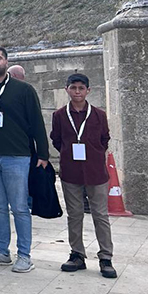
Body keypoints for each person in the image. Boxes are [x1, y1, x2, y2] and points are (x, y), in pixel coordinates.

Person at [0, 47, 50, 273]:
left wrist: (43, 153)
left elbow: (36, 121)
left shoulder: (23, 89)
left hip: (17, 156)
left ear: (6, 61)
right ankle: (2, 252)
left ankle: (24, 255)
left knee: (19, 207)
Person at [50, 74, 117, 279]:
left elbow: (104, 139)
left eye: (81, 88)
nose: (77, 91)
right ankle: (77, 254)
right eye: (73, 87)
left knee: (100, 215)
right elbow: (56, 139)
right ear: (67, 89)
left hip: (96, 172)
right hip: (71, 172)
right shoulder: (60, 115)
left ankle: (106, 257)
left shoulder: (98, 115)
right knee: (75, 214)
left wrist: (94, 155)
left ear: (88, 90)